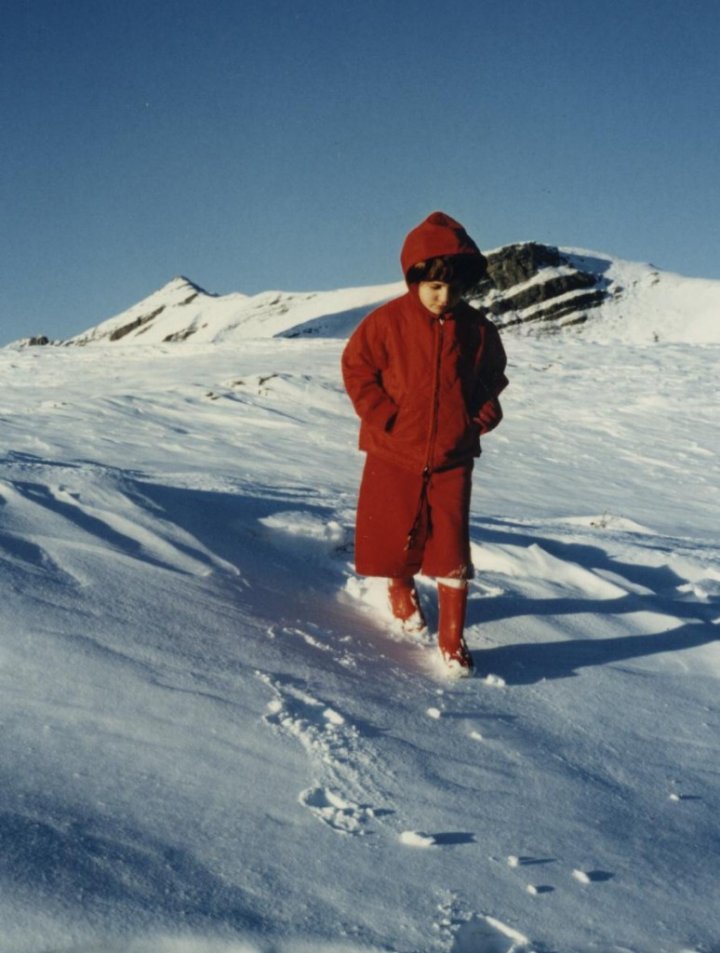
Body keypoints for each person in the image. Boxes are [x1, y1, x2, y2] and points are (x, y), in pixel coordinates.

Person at [341, 211, 508, 675]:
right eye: (435, 287)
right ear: (415, 279)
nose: (445, 297)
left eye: (454, 288)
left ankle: (452, 638)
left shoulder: (477, 330)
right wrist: (383, 416)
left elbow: (491, 380)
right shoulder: (385, 322)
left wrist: (481, 417)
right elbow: (357, 369)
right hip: (394, 448)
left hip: (453, 454)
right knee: (395, 530)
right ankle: (399, 587)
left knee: (452, 544)